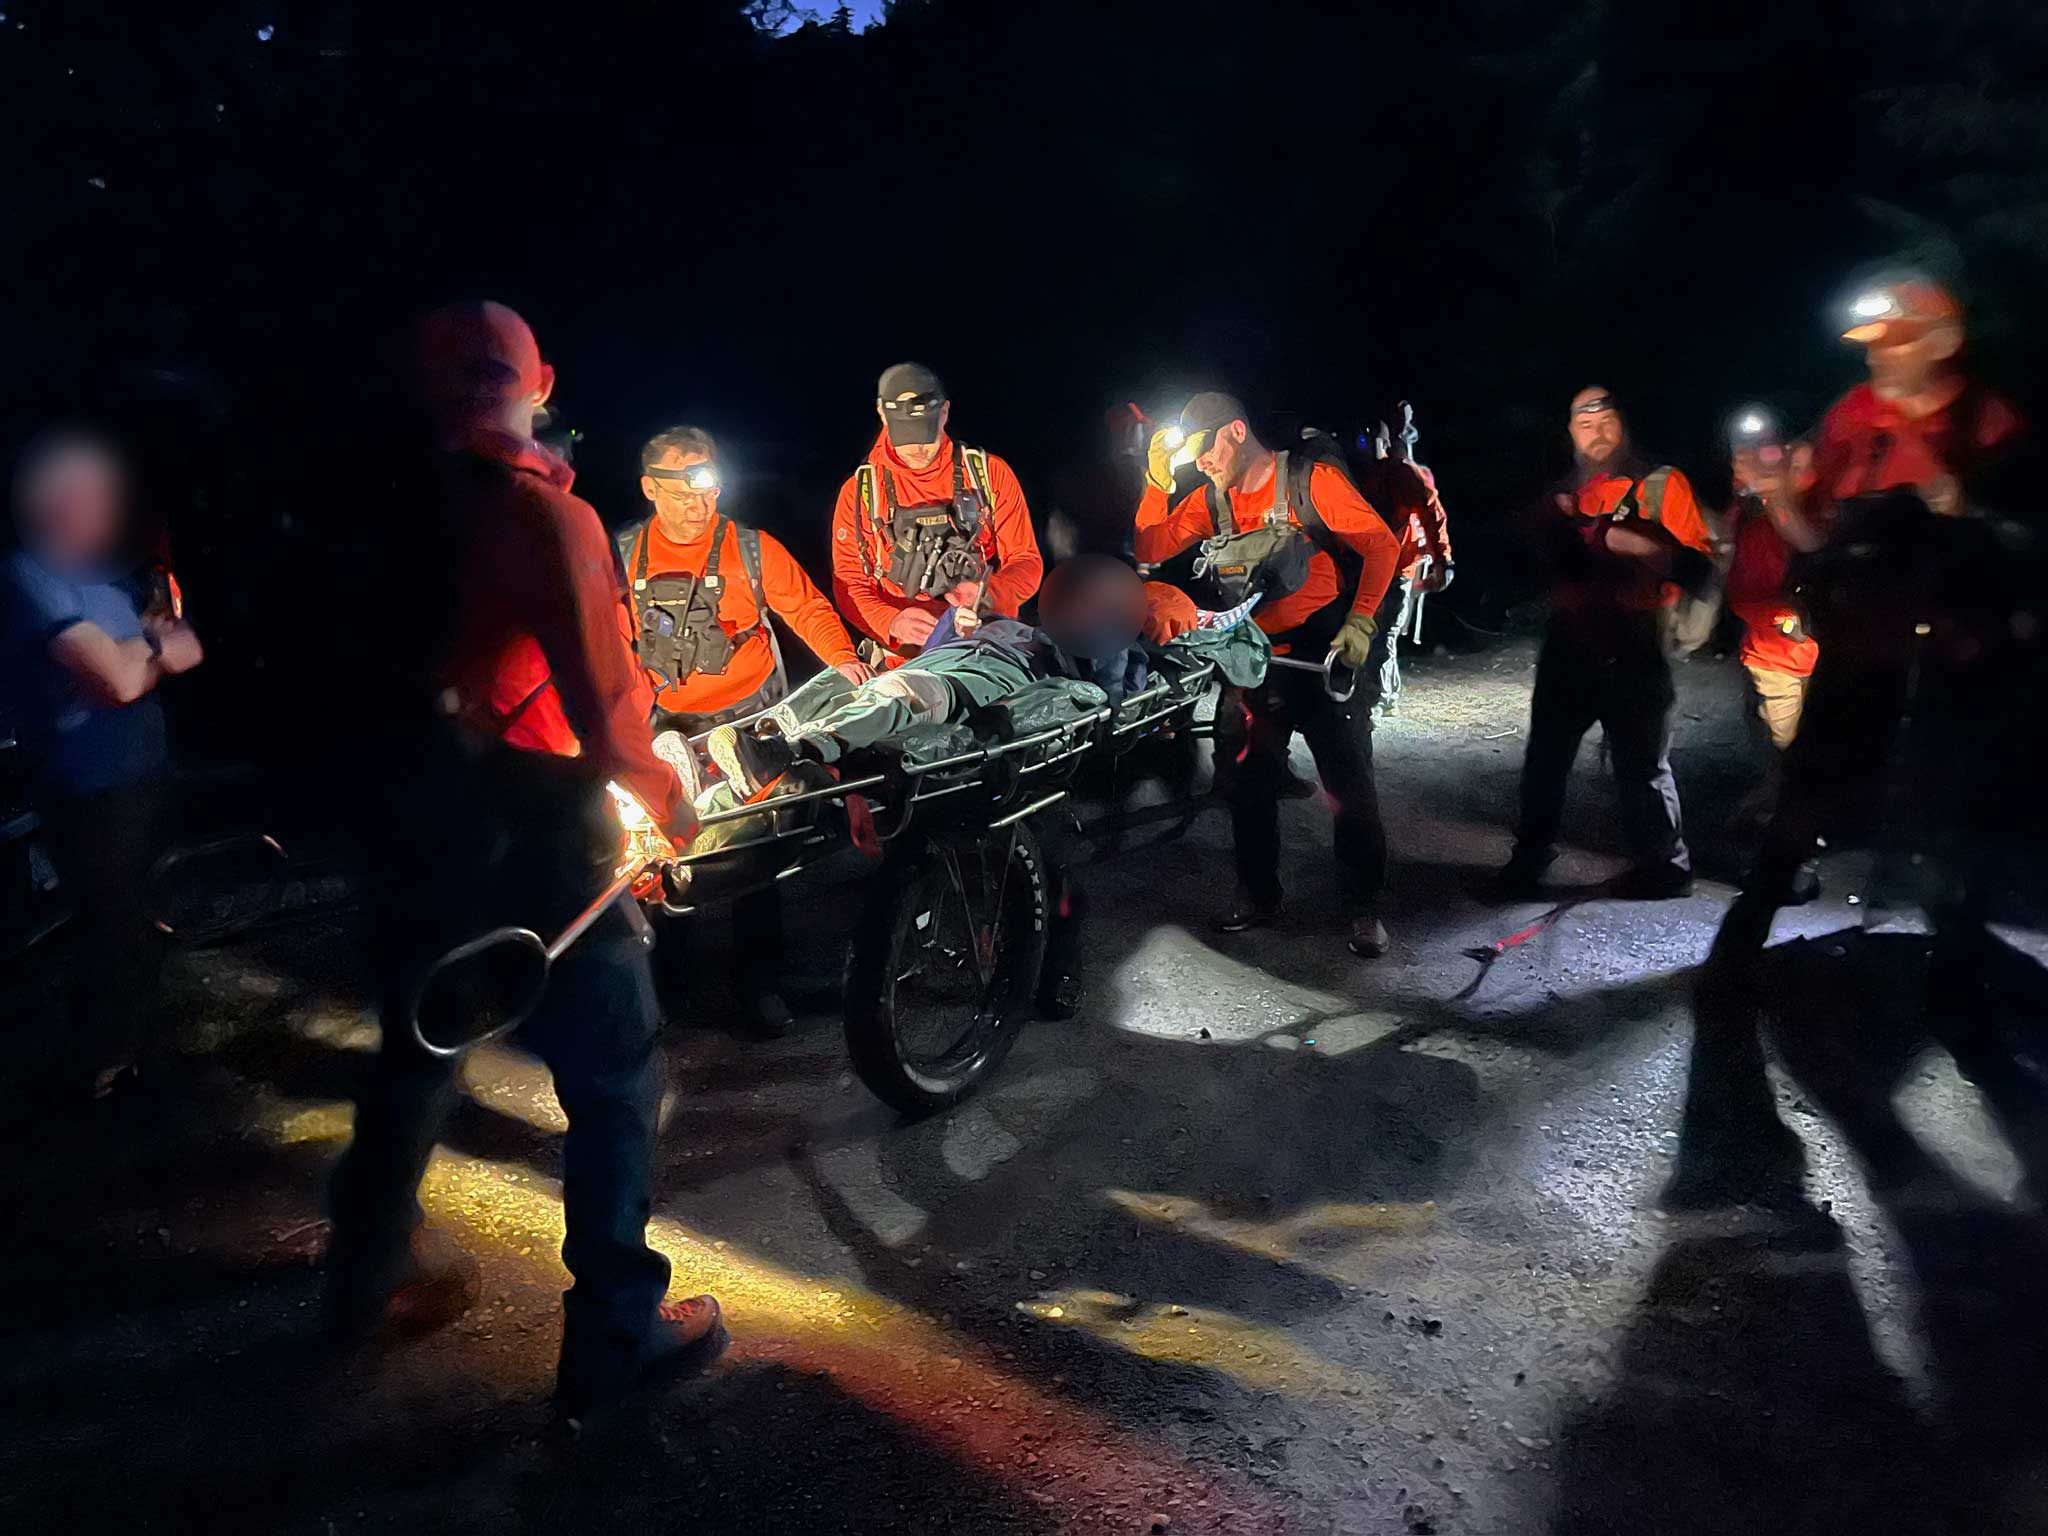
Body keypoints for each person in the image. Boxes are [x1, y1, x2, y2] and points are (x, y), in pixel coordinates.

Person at [324, 301, 725, 1417]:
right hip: (527, 825)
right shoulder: (546, 518)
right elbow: (603, 707)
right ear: (539, 377)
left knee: (417, 1042)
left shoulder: (377, 503)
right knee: (612, 1077)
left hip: (405, 811)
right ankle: (613, 1333)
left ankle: (359, 1277)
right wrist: (664, 800)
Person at [1671, 275, 2043, 1205]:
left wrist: (1968, 517)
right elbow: (1817, 539)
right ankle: (1734, 960)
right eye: (1871, 339)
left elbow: (2021, 552)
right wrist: (1778, 499)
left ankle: (1962, 1002)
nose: (1879, 353)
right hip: (1858, 661)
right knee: (1803, 803)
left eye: (1896, 336)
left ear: (1942, 339)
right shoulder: (1851, 416)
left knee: (1950, 829)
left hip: (1953, 672)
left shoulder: (1992, 426)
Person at [619, 425, 869, 1036]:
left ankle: (759, 986)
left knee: (757, 860)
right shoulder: (620, 555)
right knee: (661, 858)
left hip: (745, 723)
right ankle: (666, 987)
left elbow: (805, 607)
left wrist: (845, 662)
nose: (700, 502)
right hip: (665, 727)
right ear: (650, 488)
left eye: (709, 485)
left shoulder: (749, 548)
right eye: (683, 489)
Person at [1135, 391, 1403, 955]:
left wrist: (1360, 622)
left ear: (1234, 431)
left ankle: (1362, 908)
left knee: (1348, 786)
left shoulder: (1308, 481)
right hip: (1253, 657)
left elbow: (1382, 546)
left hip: (1324, 655)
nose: (1201, 464)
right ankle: (1258, 895)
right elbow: (1150, 545)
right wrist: (1155, 483)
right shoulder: (1213, 499)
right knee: (1245, 782)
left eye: (1205, 450)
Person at [2, 431, 203, 1101]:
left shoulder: (105, 575)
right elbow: (117, 678)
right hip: (89, 785)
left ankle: (136, 1054)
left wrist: (152, 652)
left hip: (142, 773)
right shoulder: (30, 574)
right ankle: (99, 1073)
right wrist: (154, 657)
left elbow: (182, 643)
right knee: (113, 930)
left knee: (146, 921)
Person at [1488, 387, 1716, 901]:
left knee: (1642, 761)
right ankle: (1529, 859)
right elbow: (1526, 559)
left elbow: (1697, 564)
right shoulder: (1562, 491)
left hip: (1634, 638)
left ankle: (1666, 866)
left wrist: (1616, 537)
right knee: (1546, 757)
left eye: (1607, 417)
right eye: (1584, 421)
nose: (1597, 430)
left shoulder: (1660, 486)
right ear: (1570, 432)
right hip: (1569, 639)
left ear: (1625, 424)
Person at [830, 362, 1044, 661]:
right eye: (906, 436)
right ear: (882, 413)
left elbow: (1026, 560)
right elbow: (850, 582)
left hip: (984, 641)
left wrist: (992, 593)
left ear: (944, 411)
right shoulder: (860, 493)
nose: (917, 448)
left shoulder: (987, 473)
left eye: (924, 434)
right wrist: (889, 621)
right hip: (904, 657)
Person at [1722, 414, 1819, 838]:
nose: (1800, 476)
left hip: (1822, 662)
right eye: (1791, 467)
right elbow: (1744, 596)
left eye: (1806, 468)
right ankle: (1789, 842)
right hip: (1775, 662)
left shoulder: (1822, 519)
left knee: (1803, 757)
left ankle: (1765, 818)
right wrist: (1788, 617)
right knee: (1789, 754)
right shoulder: (1756, 525)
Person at [1356, 402, 1454, 715]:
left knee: (1383, 633)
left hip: (1396, 569)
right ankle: (1382, 691)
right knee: (1373, 633)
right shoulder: (1348, 473)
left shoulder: (1401, 475)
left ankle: (1377, 697)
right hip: (1361, 568)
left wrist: (1441, 561)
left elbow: (1431, 514)